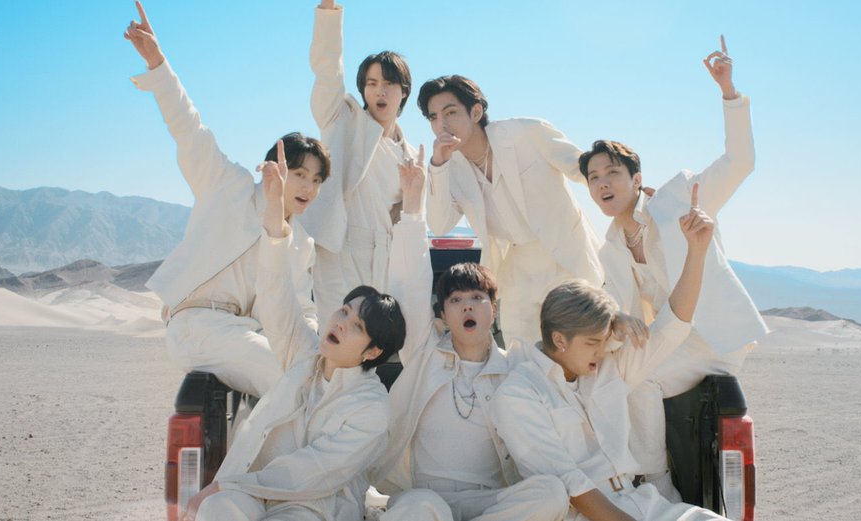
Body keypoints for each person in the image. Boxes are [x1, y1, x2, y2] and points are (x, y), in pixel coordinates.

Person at [577, 36, 767, 501]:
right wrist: (615, 322)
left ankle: (658, 487)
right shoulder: (609, 246)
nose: (602, 184)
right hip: (670, 338)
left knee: (641, 379)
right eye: (594, 178)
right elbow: (620, 308)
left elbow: (740, 162)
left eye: (612, 173)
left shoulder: (680, 196)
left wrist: (728, 91)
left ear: (636, 178)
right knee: (612, 375)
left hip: (711, 339)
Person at [180, 141, 406, 521]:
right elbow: (275, 296)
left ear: (372, 352)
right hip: (250, 492)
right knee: (217, 509)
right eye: (344, 311)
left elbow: (313, 472)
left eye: (356, 326)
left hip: (312, 505)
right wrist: (274, 210)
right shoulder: (304, 355)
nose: (340, 322)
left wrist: (233, 484)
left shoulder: (370, 408)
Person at [125, 1, 329, 397]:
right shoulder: (228, 186)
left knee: (313, 375)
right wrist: (158, 65)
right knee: (288, 379)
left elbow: (300, 308)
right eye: (300, 174)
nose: (308, 187)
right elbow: (190, 130)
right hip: (198, 324)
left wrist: (321, 344)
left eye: (317, 179)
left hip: (247, 332)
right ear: (273, 168)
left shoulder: (300, 242)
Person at [488, 196, 730, 520]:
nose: (602, 351)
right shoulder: (519, 394)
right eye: (593, 343)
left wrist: (697, 251)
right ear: (559, 339)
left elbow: (673, 327)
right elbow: (571, 486)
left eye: (603, 341)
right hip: (586, 513)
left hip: (641, 500)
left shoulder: (606, 367)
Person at [371, 147, 567, 521]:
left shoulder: (516, 368)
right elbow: (409, 283)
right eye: (456, 299)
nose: (467, 307)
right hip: (427, 497)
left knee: (552, 492)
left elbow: (568, 352)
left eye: (478, 298)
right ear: (442, 314)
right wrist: (413, 205)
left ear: (494, 308)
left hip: (491, 502)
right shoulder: (423, 351)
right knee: (416, 510)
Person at [418, 75, 602, 343]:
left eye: (450, 112)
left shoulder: (528, 132)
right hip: (517, 267)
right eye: (433, 117)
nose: (441, 125)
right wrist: (437, 166)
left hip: (566, 254)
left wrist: (633, 193)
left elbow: (583, 168)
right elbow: (439, 223)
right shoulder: (449, 168)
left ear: (476, 112)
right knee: (520, 353)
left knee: (579, 345)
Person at [300, 0, 420, 317]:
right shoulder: (344, 121)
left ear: (404, 91)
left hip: (387, 257)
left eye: (389, 84)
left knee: (376, 339)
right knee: (341, 336)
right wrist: (328, 12)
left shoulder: (409, 155)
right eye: (372, 83)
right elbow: (328, 72)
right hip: (341, 249)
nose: (380, 91)